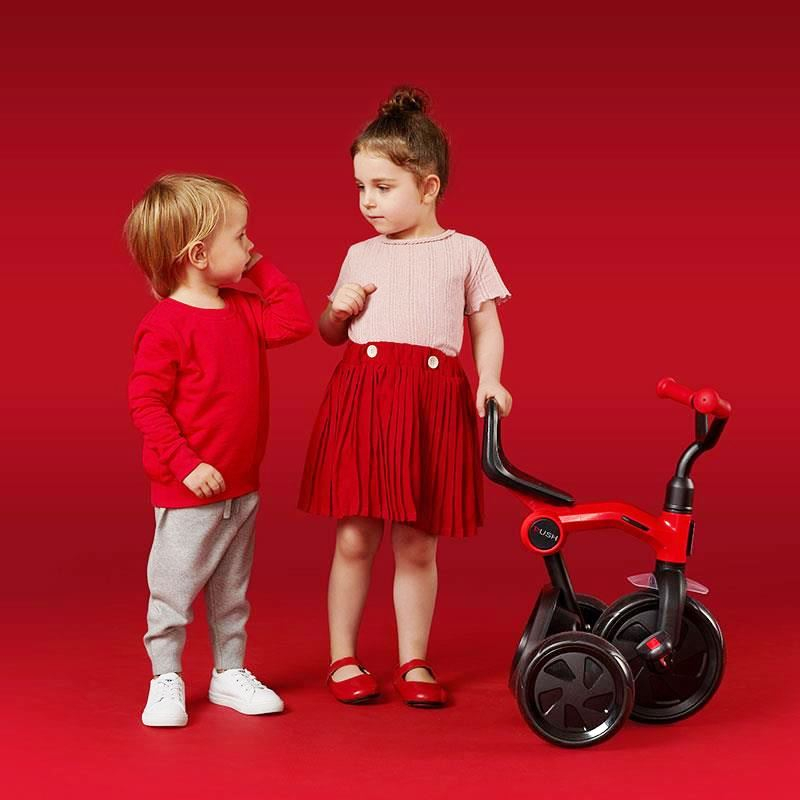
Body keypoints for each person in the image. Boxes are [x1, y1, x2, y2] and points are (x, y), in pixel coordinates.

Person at [299, 88, 512, 708]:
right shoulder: (359, 254)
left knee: (418, 542)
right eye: (360, 187)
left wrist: (490, 379)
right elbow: (330, 334)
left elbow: (486, 326)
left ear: (428, 187)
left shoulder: (467, 251)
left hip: (431, 402)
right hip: (365, 399)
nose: (367, 201)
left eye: (382, 187)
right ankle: (342, 657)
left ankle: (413, 660)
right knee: (354, 537)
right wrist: (336, 312)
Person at [126, 174, 312, 726]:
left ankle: (229, 671)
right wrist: (186, 465)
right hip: (189, 491)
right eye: (241, 236)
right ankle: (165, 678)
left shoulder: (245, 309)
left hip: (242, 485)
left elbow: (295, 321)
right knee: (173, 592)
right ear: (200, 254)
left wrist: (257, 268)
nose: (252, 245)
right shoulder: (164, 326)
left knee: (232, 592)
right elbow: (147, 405)